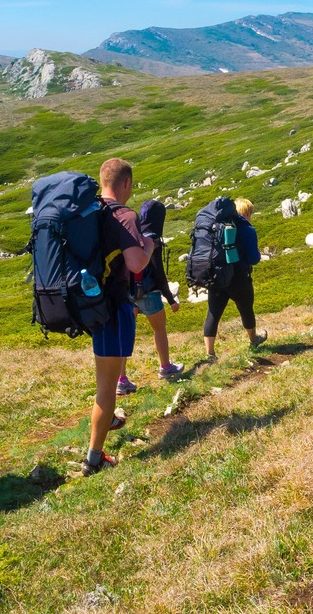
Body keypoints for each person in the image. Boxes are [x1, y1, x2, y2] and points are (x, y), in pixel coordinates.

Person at [84, 158, 154, 476]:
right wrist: (150, 245)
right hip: (112, 307)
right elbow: (137, 263)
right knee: (107, 387)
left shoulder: (90, 211)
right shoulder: (124, 215)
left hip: (91, 305)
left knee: (105, 380)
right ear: (125, 183)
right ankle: (94, 459)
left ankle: (109, 420)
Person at [203, 197, 265, 357]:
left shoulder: (216, 227)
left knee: (213, 313)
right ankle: (253, 340)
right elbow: (254, 259)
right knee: (246, 310)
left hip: (216, 276)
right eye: (250, 213)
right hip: (239, 277)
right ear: (247, 213)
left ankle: (210, 354)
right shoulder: (247, 229)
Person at [133, 199, 184, 380]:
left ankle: (121, 379)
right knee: (159, 330)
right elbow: (158, 273)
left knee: (126, 335)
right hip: (149, 291)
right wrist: (170, 299)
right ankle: (165, 367)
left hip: (130, 292)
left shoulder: (134, 234)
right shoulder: (152, 239)